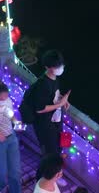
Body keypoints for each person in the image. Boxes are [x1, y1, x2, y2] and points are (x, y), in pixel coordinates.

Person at [31, 50, 70, 187]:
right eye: (56, 66)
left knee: (57, 150)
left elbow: (54, 96)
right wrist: (59, 104)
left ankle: (54, 175)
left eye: (60, 65)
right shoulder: (42, 84)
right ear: (48, 67)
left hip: (55, 121)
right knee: (50, 154)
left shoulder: (55, 80)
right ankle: (44, 179)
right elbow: (40, 108)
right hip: (45, 125)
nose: (60, 68)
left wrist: (62, 100)